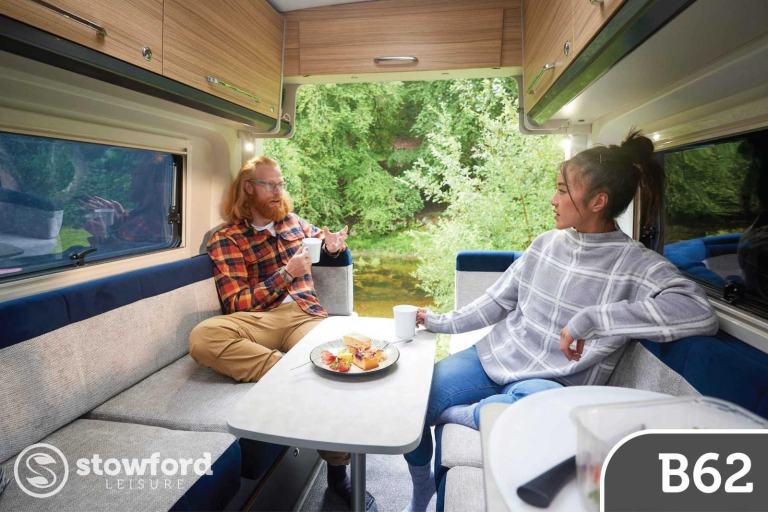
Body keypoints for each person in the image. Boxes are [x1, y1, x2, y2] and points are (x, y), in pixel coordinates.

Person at [402, 132, 719, 512]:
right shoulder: (545, 244)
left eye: (562, 190)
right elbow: (496, 302)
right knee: (413, 405)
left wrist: (593, 319)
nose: (553, 199)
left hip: (555, 382)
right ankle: (421, 492)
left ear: (598, 201)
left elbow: (699, 311)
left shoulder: (637, 263)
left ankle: (470, 414)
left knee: (541, 408)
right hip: (497, 356)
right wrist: (437, 322)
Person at [187, 156, 372, 509]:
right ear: (248, 188)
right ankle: (293, 373)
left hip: (302, 313)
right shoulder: (226, 238)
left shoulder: (294, 223)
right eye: (270, 185)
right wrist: (286, 274)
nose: (278, 191)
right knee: (203, 337)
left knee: (334, 362)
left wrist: (334, 246)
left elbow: (324, 242)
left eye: (280, 184)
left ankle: (338, 473)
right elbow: (236, 302)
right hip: (256, 319)